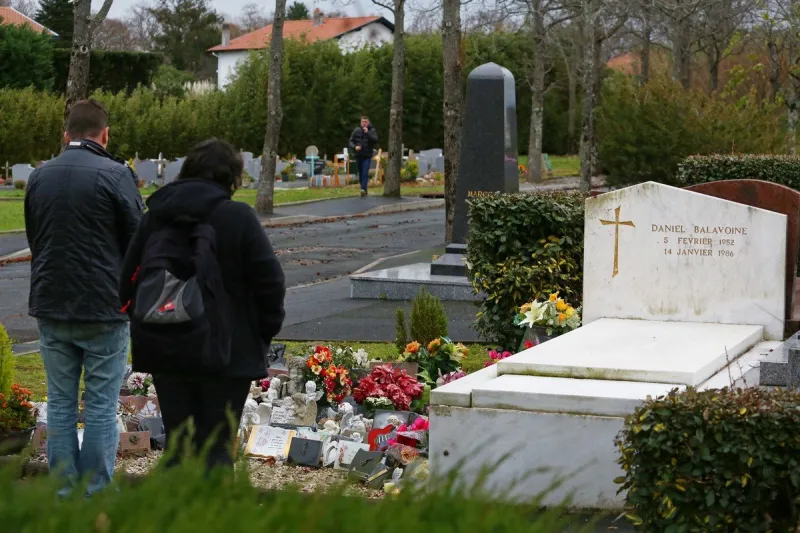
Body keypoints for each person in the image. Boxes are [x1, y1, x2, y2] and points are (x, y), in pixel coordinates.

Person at [119, 138, 286, 471]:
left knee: (178, 446)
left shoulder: (157, 217)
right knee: (217, 450)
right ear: (232, 177)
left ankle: (176, 503)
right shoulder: (238, 217)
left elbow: (127, 281)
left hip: (167, 345)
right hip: (229, 350)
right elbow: (270, 282)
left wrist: (147, 322)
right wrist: (262, 332)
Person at [24, 99, 144, 496]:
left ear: (66, 136)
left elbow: (36, 237)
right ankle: (94, 493)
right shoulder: (117, 174)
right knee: (99, 405)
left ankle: (63, 492)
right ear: (105, 135)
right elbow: (137, 240)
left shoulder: (39, 177)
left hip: (51, 302)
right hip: (103, 306)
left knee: (59, 403)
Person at [348, 116, 378, 196]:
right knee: (361, 173)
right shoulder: (356, 130)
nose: (364, 123)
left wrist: (367, 133)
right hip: (358, 155)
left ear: (368, 122)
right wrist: (355, 147)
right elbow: (350, 141)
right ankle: (364, 189)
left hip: (367, 155)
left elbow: (375, 140)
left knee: (365, 172)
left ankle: (363, 189)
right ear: (360, 123)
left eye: (365, 122)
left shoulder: (372, 130)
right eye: (363, 122)